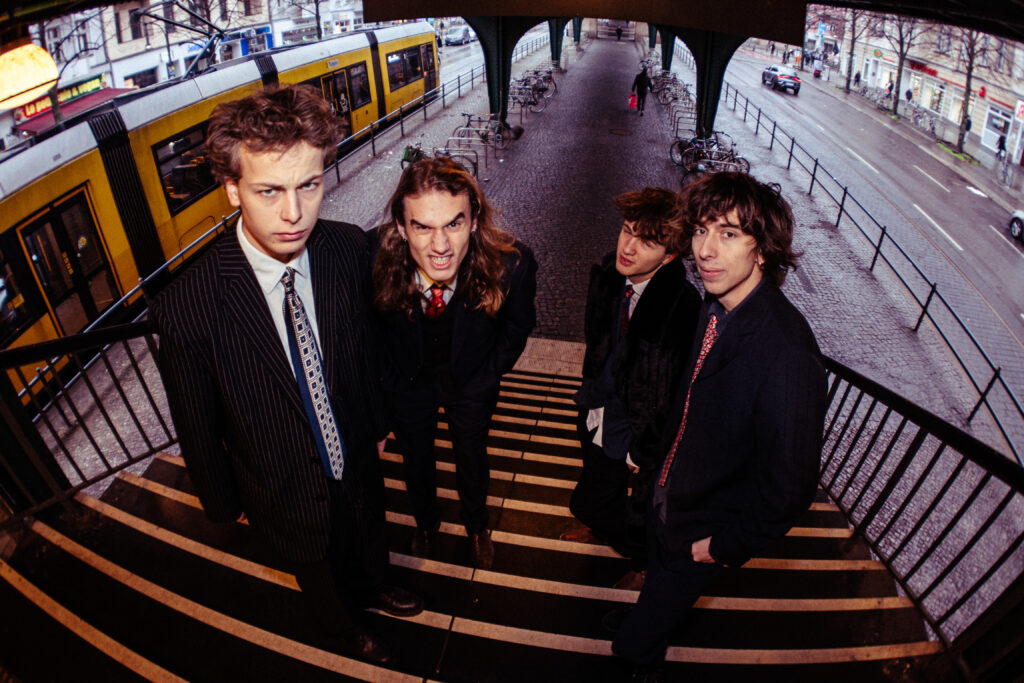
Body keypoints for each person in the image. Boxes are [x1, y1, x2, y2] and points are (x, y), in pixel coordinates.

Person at [149, 85, 422, 666]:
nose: (294, 213)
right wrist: (224, 503)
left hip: (355, 449)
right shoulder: (186, 307)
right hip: (276, 481)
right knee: (314, 562)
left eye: (309, 185)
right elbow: (196, 422)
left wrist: (375, 424)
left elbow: (361, 351)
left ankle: (375, 586)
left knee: (366, 528)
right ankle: (343, 627)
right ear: (231, 191)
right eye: (269, 191)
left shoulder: (347, 250)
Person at [612, 173, 827, 680]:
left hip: (702, 532)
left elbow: (790, 491)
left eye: (728, 234)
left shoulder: (787, 353)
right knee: (656, 599)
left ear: (764, 249)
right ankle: (649, 620)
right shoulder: (716, 305)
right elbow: (690, 402)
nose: (706, 250)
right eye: (701, 230)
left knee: (632, 648)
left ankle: (638, 646)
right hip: (669, 503)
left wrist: (725, 546)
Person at [371, 158, 537, 570]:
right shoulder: (372, 260)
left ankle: (476, 526)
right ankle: (427, 524)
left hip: (471, 384)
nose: (439, 246)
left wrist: (489, 371)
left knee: (472, 457)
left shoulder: (513, 263)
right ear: (400, 226)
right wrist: (387, 384)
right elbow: (369, 332)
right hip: (408, 384)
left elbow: (517, 327)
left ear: (475, 220)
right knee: (415, 460)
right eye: (422, 227)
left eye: (453, 224)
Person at [564, 188, 701, 591]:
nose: (628, 247)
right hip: (599, 406)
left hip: (642, 428)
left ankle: (643, 565)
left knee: (642, 508)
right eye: (627, 231)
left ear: (670, 255)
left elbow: (677, 386)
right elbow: (598, 341)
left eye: (647, 242)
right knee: (596, 480)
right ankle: (597, 527)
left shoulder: (682, 305)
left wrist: (649, 446)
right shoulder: (609, 274)